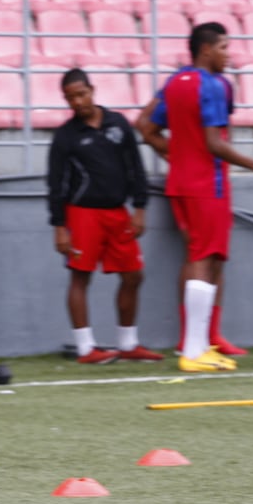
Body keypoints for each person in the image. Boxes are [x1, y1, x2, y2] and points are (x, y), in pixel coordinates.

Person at [137, 22, 253, 373]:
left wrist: (178, 155)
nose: (228, 55)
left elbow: (145, 125)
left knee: (203, 256)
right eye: (224, 47)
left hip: (181, 182)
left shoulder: (176, 82)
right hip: (208, 184)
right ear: (206, 49)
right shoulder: (214, 85)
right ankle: (195, 349)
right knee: (204, 258)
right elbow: (215, 143)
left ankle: (199, 342)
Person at [48, 69, 163, 365]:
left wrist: (140, 207)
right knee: (80, 276)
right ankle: (86, 348)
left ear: (92, 90)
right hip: (82, 214)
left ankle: (128, 344)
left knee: (133, 274)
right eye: (71, 98)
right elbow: (56, 185)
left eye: (81, 94)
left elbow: (135, 167)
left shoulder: (118, 123)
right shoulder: (66, 136)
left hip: (118, 213)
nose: (77, 102)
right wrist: (59, 226)